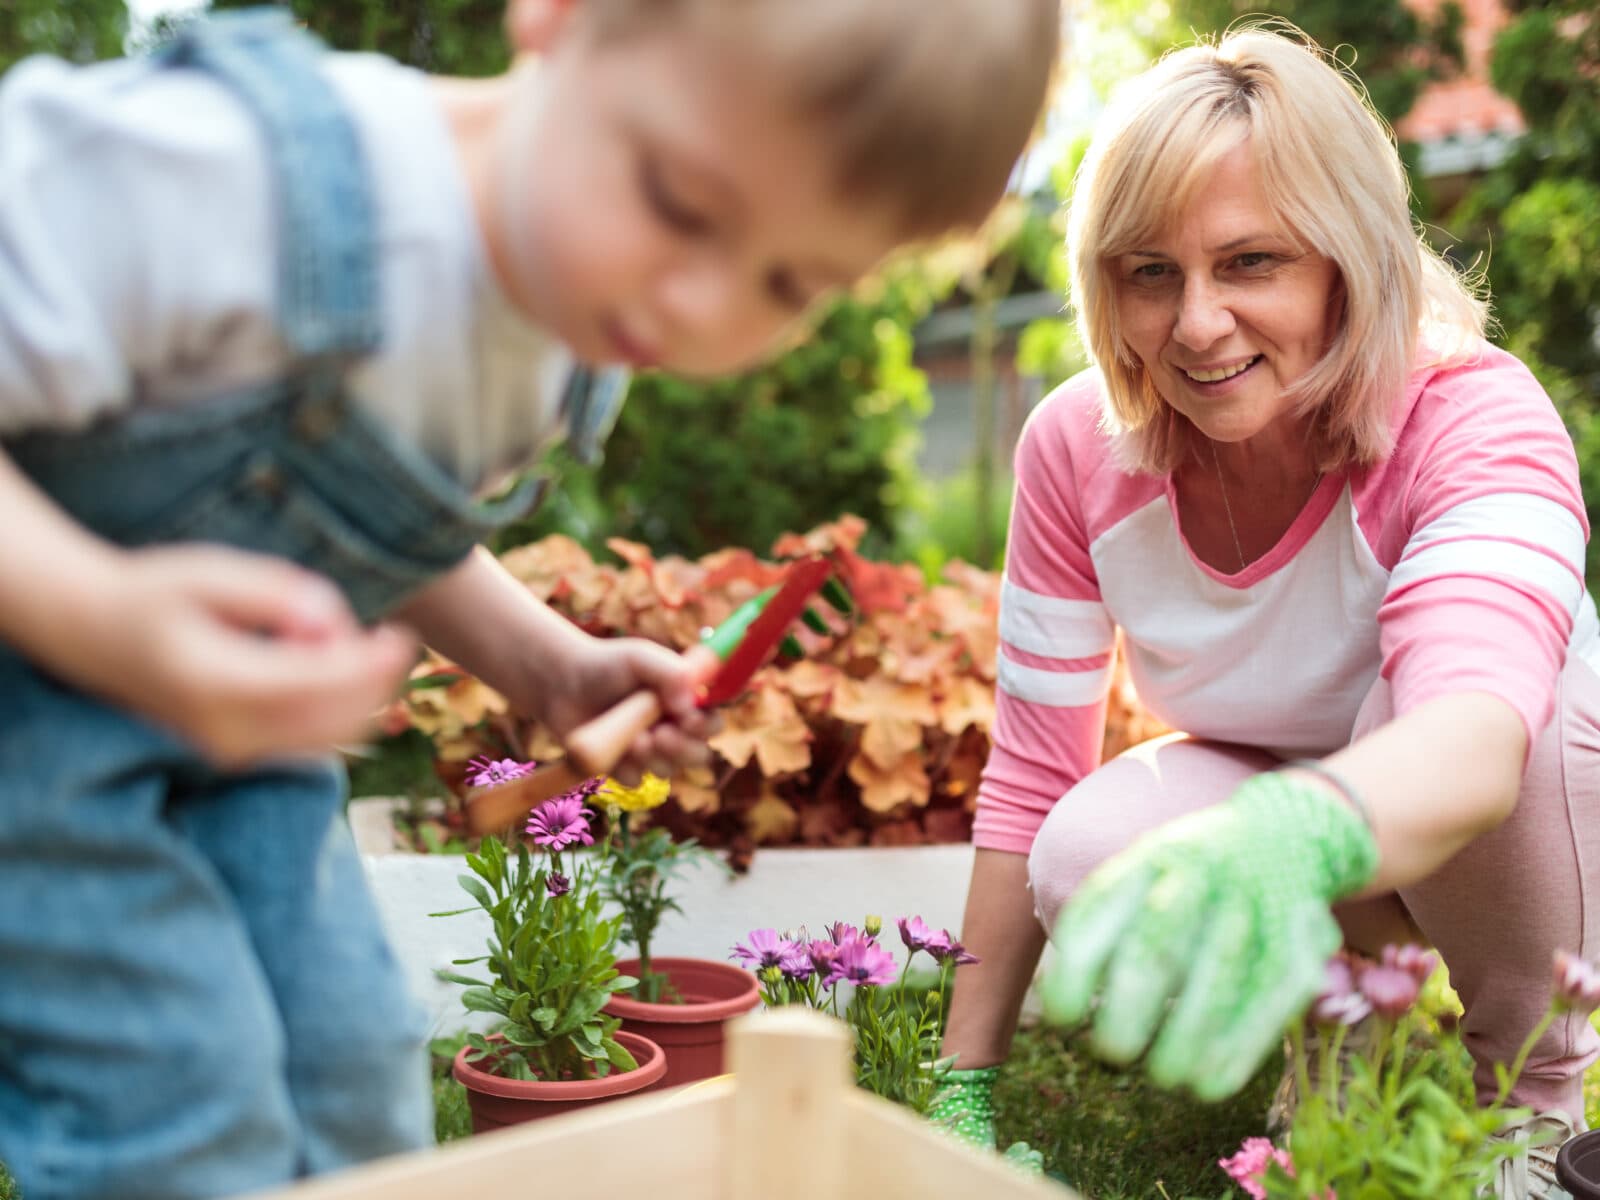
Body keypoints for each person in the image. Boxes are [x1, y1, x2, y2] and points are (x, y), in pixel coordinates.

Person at [0, 1, 1061, 1197]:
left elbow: (389, 528)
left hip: (237, 757)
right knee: (175, 1106)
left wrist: (552, 666)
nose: (699, 307)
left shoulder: (554, 335)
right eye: (677, 203)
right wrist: (99, 613)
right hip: (34, 740)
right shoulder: (233, 174)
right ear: (561, 16)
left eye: (789, 280)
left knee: (349, 1071)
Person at [928, 24, 1599, 1200]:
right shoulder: (1077, 448)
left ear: (1348, 258)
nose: (1194, 326)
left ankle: (1525, 1094)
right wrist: (962, 1079)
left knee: (1493, 714)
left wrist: (1292, 835)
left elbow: (1478, 738)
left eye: (1251, 263)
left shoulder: (1474, 419)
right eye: (1151, 273)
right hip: (1305, 792)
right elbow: (1033, 774)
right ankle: (1355, 1035)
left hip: (1512, 791)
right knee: (1087, 849)